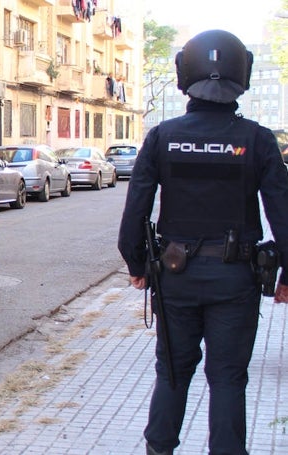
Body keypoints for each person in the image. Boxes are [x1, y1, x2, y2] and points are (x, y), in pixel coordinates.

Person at [117, 29, 288, 455]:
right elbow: (282, 216)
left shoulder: (161, 137)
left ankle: (159, 450)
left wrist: (137, 265)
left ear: (183, 74)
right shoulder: (258, 140)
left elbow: (134, 213)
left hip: (175, 278)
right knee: (228, 377)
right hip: (236, 281)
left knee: (172, 372)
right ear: (242, 76)